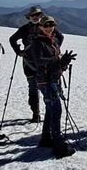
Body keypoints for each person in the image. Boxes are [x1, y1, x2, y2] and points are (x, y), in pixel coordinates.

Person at [27, 15, 77, 158]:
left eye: (51, 26)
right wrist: (58, 59)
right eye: (46, 26)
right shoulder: (38, 43)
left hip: (52, 79)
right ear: (41, 27)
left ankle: (46, 139)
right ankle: (58, 145)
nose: (49, 28)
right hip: (46, 81)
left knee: (50, 110)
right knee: (56, 110)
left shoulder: (53, 41)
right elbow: (39, 61)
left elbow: (54, 63)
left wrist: (64, 62)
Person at [8, 5, 44, 123]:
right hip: (31, 63)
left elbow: (59, 37)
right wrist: (19, 52)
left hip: (38, 63)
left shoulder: (45, 27)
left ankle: (38, 113)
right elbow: (12, 39)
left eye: (37, 15)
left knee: (40, 88)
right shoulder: (27, 29)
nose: (35, 17)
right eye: (33, 16)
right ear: (29, 17)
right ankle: (36, 113)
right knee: (34, 88)